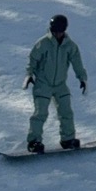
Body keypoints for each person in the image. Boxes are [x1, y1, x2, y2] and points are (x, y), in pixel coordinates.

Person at [23, 14, 87, 152]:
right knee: (40, 113)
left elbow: (77, 62)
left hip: (60, 85)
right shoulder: (43, 43)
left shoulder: (70, 46)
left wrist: (82, 78)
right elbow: (32, 60)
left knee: (66, 112)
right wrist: (29, 74)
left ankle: (68, 139)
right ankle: (34, 141)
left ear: (64, 30)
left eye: (60, 31)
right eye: (55, 31)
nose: (57, 34)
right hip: (43, 84)